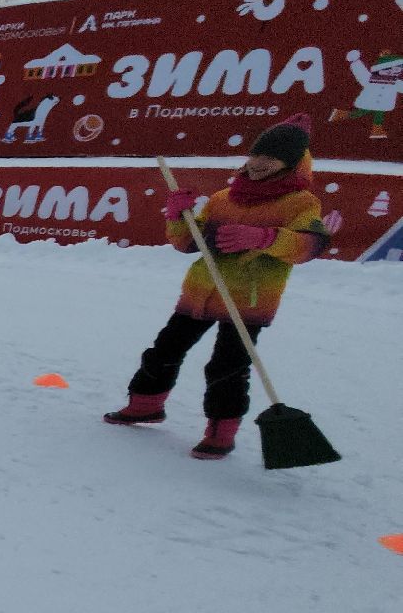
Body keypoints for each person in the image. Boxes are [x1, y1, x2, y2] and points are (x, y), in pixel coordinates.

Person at [103, 114, 332, 459]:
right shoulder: (224, 198)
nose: (257, 164)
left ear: (290, 164)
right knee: (166, 348)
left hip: (249, 299)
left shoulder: (301, 203)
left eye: (269, 159)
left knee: (228, 365)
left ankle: (220, 432)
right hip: (200, 291)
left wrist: (264, 237)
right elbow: (188, 244)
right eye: (255, 156)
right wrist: (178, 217)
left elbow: (309, 245)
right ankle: (145, 405)